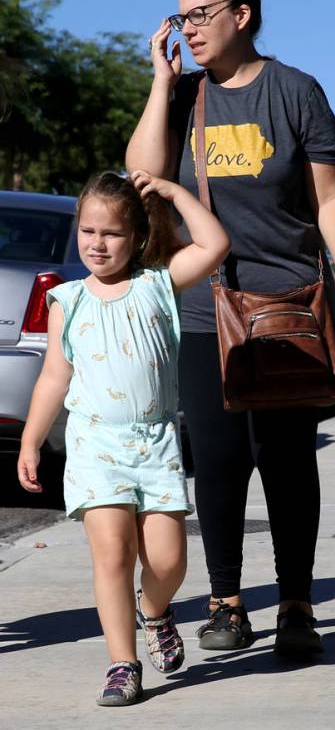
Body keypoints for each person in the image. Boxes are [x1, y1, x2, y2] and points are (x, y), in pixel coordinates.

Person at [125, 0, 335, 657]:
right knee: (220, 457)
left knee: (289, 457)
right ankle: (226, 602)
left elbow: (328, 198)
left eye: (201, 14)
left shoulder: (295, 91)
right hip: (204, 307)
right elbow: (141, 178)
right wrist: (159, 82)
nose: (189, 27)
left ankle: (297, 602)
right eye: (181, 16)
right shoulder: (182, 95)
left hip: (286, 301)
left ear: (243, 14)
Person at [17, 171, 230, 706]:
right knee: (111, 553)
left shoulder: (159, 284)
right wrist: (31, 439)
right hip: (95, 446)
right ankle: (122, 664)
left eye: (110, 233)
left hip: (154, 444)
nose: (97, 243)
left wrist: (174, 193)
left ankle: (154, 611)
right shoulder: (67, 299)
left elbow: (215, 244)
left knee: (168, 562)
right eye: (88, 231)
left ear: (135, 236)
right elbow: (53, 376)